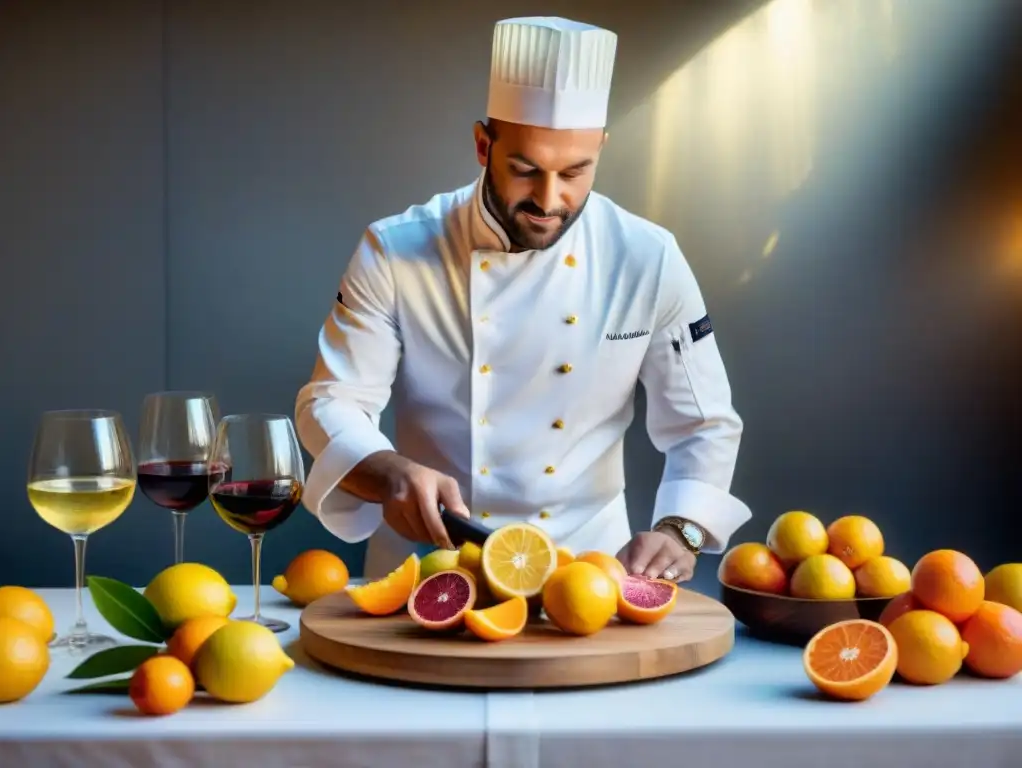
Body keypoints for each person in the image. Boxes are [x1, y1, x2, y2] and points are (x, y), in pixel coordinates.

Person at [295, 16, 751, 582]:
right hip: (430, 567)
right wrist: (388, 471)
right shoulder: (396, 250)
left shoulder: (646, 258)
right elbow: (329, 401)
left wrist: (681, 528)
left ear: (600, 151)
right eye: (525, 169)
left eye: (575, 172)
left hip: (589, 577)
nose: (549, 199)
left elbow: (704, 422)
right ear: (484, 145)